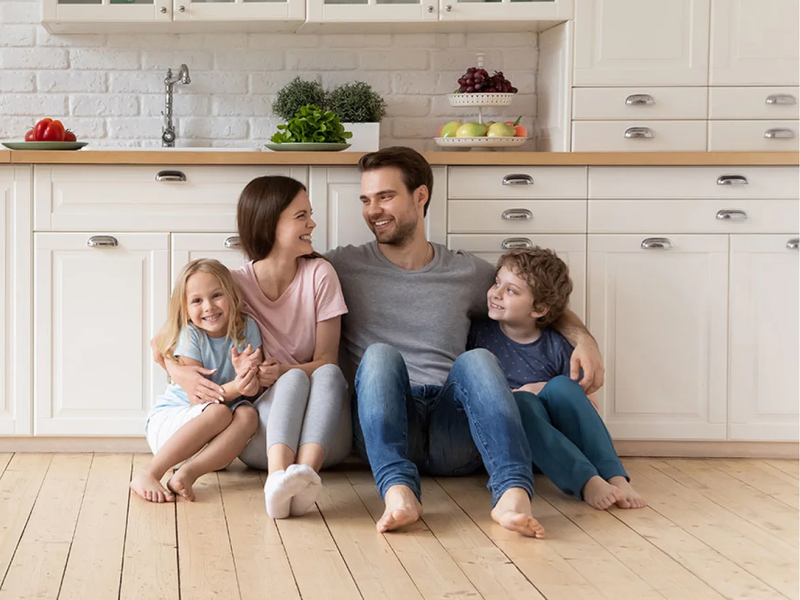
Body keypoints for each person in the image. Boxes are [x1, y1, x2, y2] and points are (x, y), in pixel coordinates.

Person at [326, 146, 605, 537]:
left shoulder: (467, 272)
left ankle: (511, 494)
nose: (373, 210)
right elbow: (279, 280)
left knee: (477, 360)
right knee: (380, 356)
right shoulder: (342, 266)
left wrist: (585, 340)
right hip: (385, 421)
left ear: (420, 196)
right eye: (366, 199)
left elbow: (534, 300)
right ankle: (398, 492)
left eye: (385, 196)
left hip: (453, 429)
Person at [154, 176, 352, 519]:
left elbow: (325, 361)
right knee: (291, 381)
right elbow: (162, 342)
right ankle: (280, 479)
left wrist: (284, 371)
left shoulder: (321, 274)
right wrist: (182, 375)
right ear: (269, 224)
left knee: (329, 373)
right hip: (266, 434)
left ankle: (304, 476)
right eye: (301, 216)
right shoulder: (233, 284)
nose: (312, 224)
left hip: (326, 434)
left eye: (310, 214)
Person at [468, 247, 646, 510]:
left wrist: (539, 388)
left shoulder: (557, 344)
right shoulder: (478, 334)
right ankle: (587, 482)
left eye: (511, 291)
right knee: (521, 404)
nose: (496, 293)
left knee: (563, 385)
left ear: (539, 308)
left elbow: (588, 404)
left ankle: (615, 476)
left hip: (563, 442)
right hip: (518, 445)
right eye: (497, 283)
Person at [131, 258, 261, 503]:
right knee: (219, 412)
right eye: (197, 301)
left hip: (212, 443)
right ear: (186, 308)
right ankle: (149, 472)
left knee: (248, 415)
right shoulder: (190, 334)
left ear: (232, 295)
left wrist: (250, 379)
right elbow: (197, 398)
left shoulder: (248, 327)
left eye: (216, 295)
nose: (209, 307)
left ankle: (186, 474)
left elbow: (254, 388)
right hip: (173, 426)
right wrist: (237, 386)